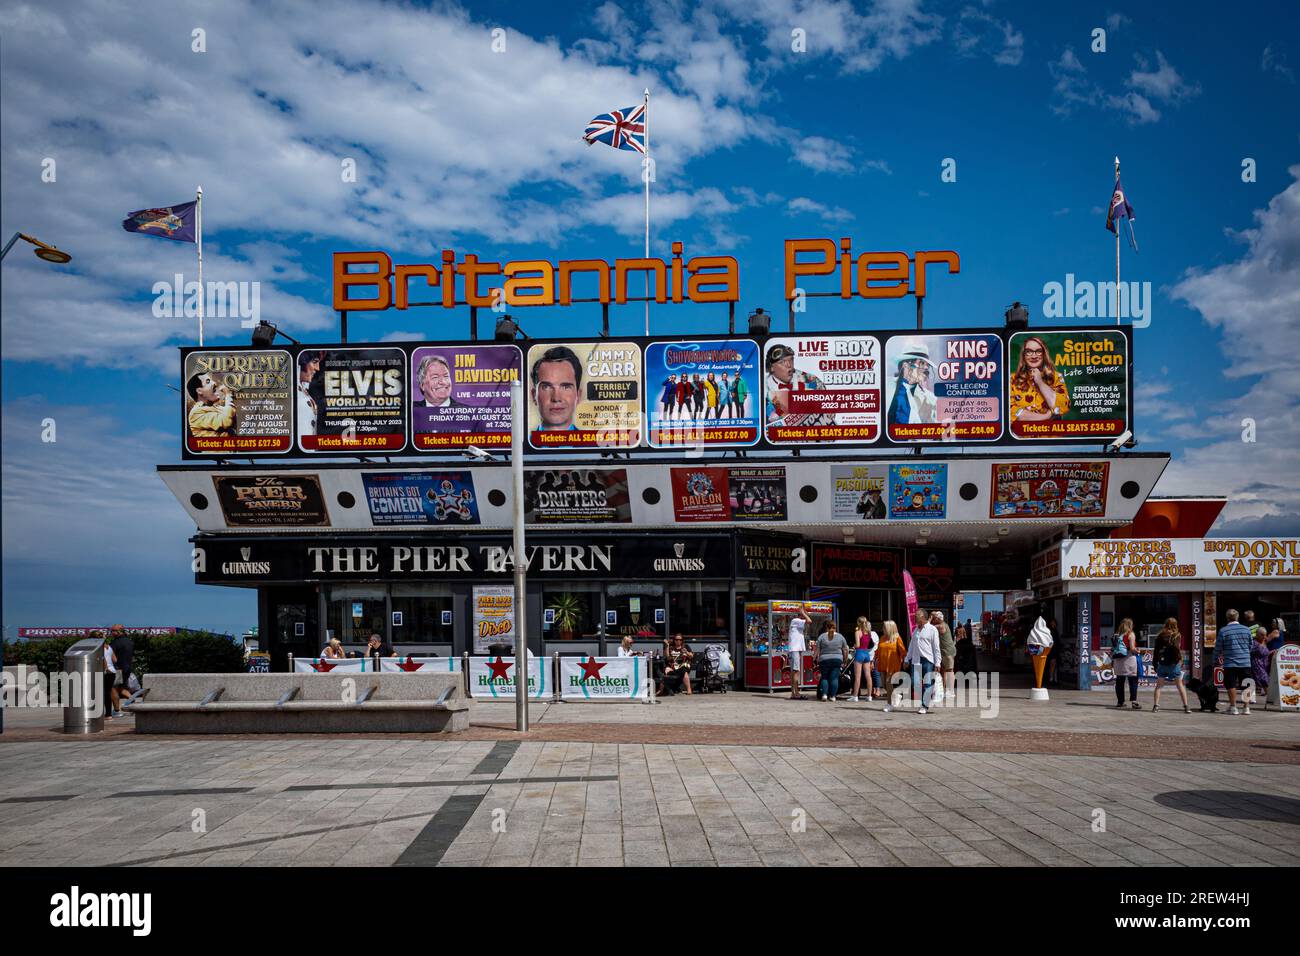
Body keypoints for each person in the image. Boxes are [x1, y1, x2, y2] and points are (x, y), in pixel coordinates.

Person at [1008, 335, 1070, 424]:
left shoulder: (1056, 377)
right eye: (1029, 352)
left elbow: (1062, 407)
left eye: (1038, 351)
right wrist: (1045, 417)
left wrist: (1040, 383)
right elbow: (1011, 411)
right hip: (1023, 435)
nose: (1034, 356)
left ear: (1044, 354)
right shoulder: (1012, 379)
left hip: (1049, 435)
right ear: (1023, 355)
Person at [530, 345, 583, 431]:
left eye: (566, 387)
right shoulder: (517, 443)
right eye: (546, 387)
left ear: (578, 395)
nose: (556, 398)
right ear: (534, 396)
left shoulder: (595, 443)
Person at [887, 340, 937, 426]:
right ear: (906, 366)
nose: (926, 368)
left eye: (927, 365)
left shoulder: (930, 399)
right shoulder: (885, 386)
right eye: (921, 363)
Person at [1214, 609, 1253, 715]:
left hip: (1230, 662)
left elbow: (1218, 648)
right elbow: (1251, 645)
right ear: (1237, 617)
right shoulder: (1246, 630)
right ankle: (1246, 708)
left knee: (1231, 684)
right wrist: (1245, 654)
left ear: (1227, 618)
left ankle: (1233, 707)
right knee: (1247, 684)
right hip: (1245, 662)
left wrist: (1215, 659)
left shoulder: (1223, 630)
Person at [902, 609, 940, 714]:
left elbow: (936, 647)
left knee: (927, 683)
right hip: (916, 659)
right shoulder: (915, 630)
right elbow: (911, 646)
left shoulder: (932, 629)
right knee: (916, 683)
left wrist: (938, 663)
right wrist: (906, 659)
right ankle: (924, 701)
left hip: (928, 660)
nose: (914, 617)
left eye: (917, 616)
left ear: (923, 617)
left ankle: (924, 705)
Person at [1151, 617, 1191, 714]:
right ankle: (1186, 706)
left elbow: (1156, 651)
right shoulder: (1176, 635)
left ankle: (1155, 706)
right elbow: (1177, 649)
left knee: (1159, 686)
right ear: (1175, 625)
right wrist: (1180, 661)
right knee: (1180, 685)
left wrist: (1155, 663)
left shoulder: (1160, 635)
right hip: (1173, 664)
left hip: (1162, 664)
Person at [186, 371, 236, 437]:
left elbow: (232, 415)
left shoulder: (216, 407)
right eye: (208, 382)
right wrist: (228, 394)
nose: (215, 383)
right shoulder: (196, 413)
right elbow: (226, 421)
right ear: (199, 391)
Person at [816, 620, 850, 703]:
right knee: (834, 678)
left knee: (824, 677)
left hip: (824, 659)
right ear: (835, 627)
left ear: (826, 627)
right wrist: (845, 660)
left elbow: (817, 650)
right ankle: (833, 696)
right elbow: (845, 650)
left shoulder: (822, 637)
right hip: (837, 659)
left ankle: (824, 694)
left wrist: (816, 659)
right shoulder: (840, 637)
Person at [1111, 617, 1140, 710]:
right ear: (1130, 625)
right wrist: (1138, 651)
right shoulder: (1131, 634)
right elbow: (1132, 649)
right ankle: (1134, 702)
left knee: (1119, 682)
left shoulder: (1117, 634)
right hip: (1129, 659)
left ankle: (1120, 702)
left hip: (1118, 660)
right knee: (1133, 681)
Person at [847, 616, 877, 702]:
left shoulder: (858, 632)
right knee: (868, 676)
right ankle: (869, 696)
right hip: (866, 654)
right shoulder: (868, 632)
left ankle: (855, 696)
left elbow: (858, 645)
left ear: (858, 623)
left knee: (857, 676)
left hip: (859, 653)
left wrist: (853, 646)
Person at [875, 620, 906, 704]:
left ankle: (889, 703)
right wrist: (874, 658)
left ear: (889, 628)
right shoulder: (882, 638)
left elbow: (903, 651)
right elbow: (878, 650)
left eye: (884, 627)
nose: (883, 629)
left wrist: (905, 660)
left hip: (892, 664)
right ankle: (896, 695)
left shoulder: (897, 638)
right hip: (882, 663)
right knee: (884, 685)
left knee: (888, 683)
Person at [786, 605, 812, 699]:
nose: (807, 614)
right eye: (805, 613)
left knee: (794, 671)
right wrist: (803, 613)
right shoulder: (796, 620)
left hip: (795, 649)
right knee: (796, 671)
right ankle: (795, 693)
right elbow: (809, 621)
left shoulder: (798, 622)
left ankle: (794, 693)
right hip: (795, 649)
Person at [108, 625, 134, 710]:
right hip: (127, 668)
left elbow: (111, 657)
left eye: (114, 631)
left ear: (120, 631)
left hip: (118, 669)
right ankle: (133, 702)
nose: (112, 633)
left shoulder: (115, 643)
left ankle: (116, 710)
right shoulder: (129, 642)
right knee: (122, 689)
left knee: (113, 688)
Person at [297, 351, 322, 434]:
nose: (317, 368)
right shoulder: (289, 389)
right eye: (314, 362)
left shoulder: (304, 388)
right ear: (301, 362)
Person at [933, 611, 956, 696]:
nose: (933, 620)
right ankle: (944, 689)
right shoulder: (942, 624)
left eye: (935, 618)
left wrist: (930, 617)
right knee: (944, 671)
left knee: (950, 670)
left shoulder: (941, 626)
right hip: (944, 652)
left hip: (948, 652)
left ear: (939, 619)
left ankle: (951, 691)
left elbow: (928, 627)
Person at [101, 632, 122, 719]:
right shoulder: (109, 647)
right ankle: (109, 714)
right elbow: (115, 659)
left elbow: (102, 658)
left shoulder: (98, 647)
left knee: (104, 693)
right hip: (112, 671)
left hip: (105, 672)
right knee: (108, 692)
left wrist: (106, 667)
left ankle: (107, 714)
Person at [1251, 629, 1272, 702]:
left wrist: (1272, 652)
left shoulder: (1264, 642)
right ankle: (1269, 697)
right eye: (1262, 635)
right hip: (1256, 664)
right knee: (1264, 680)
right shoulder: (1253, 642)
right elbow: (1252, 652)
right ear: (1257, 634)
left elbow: (1265, 653)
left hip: (1264, 665)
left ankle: (1269, 697)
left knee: (1263, 680)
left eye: (1265, 635)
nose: (1264, 636)